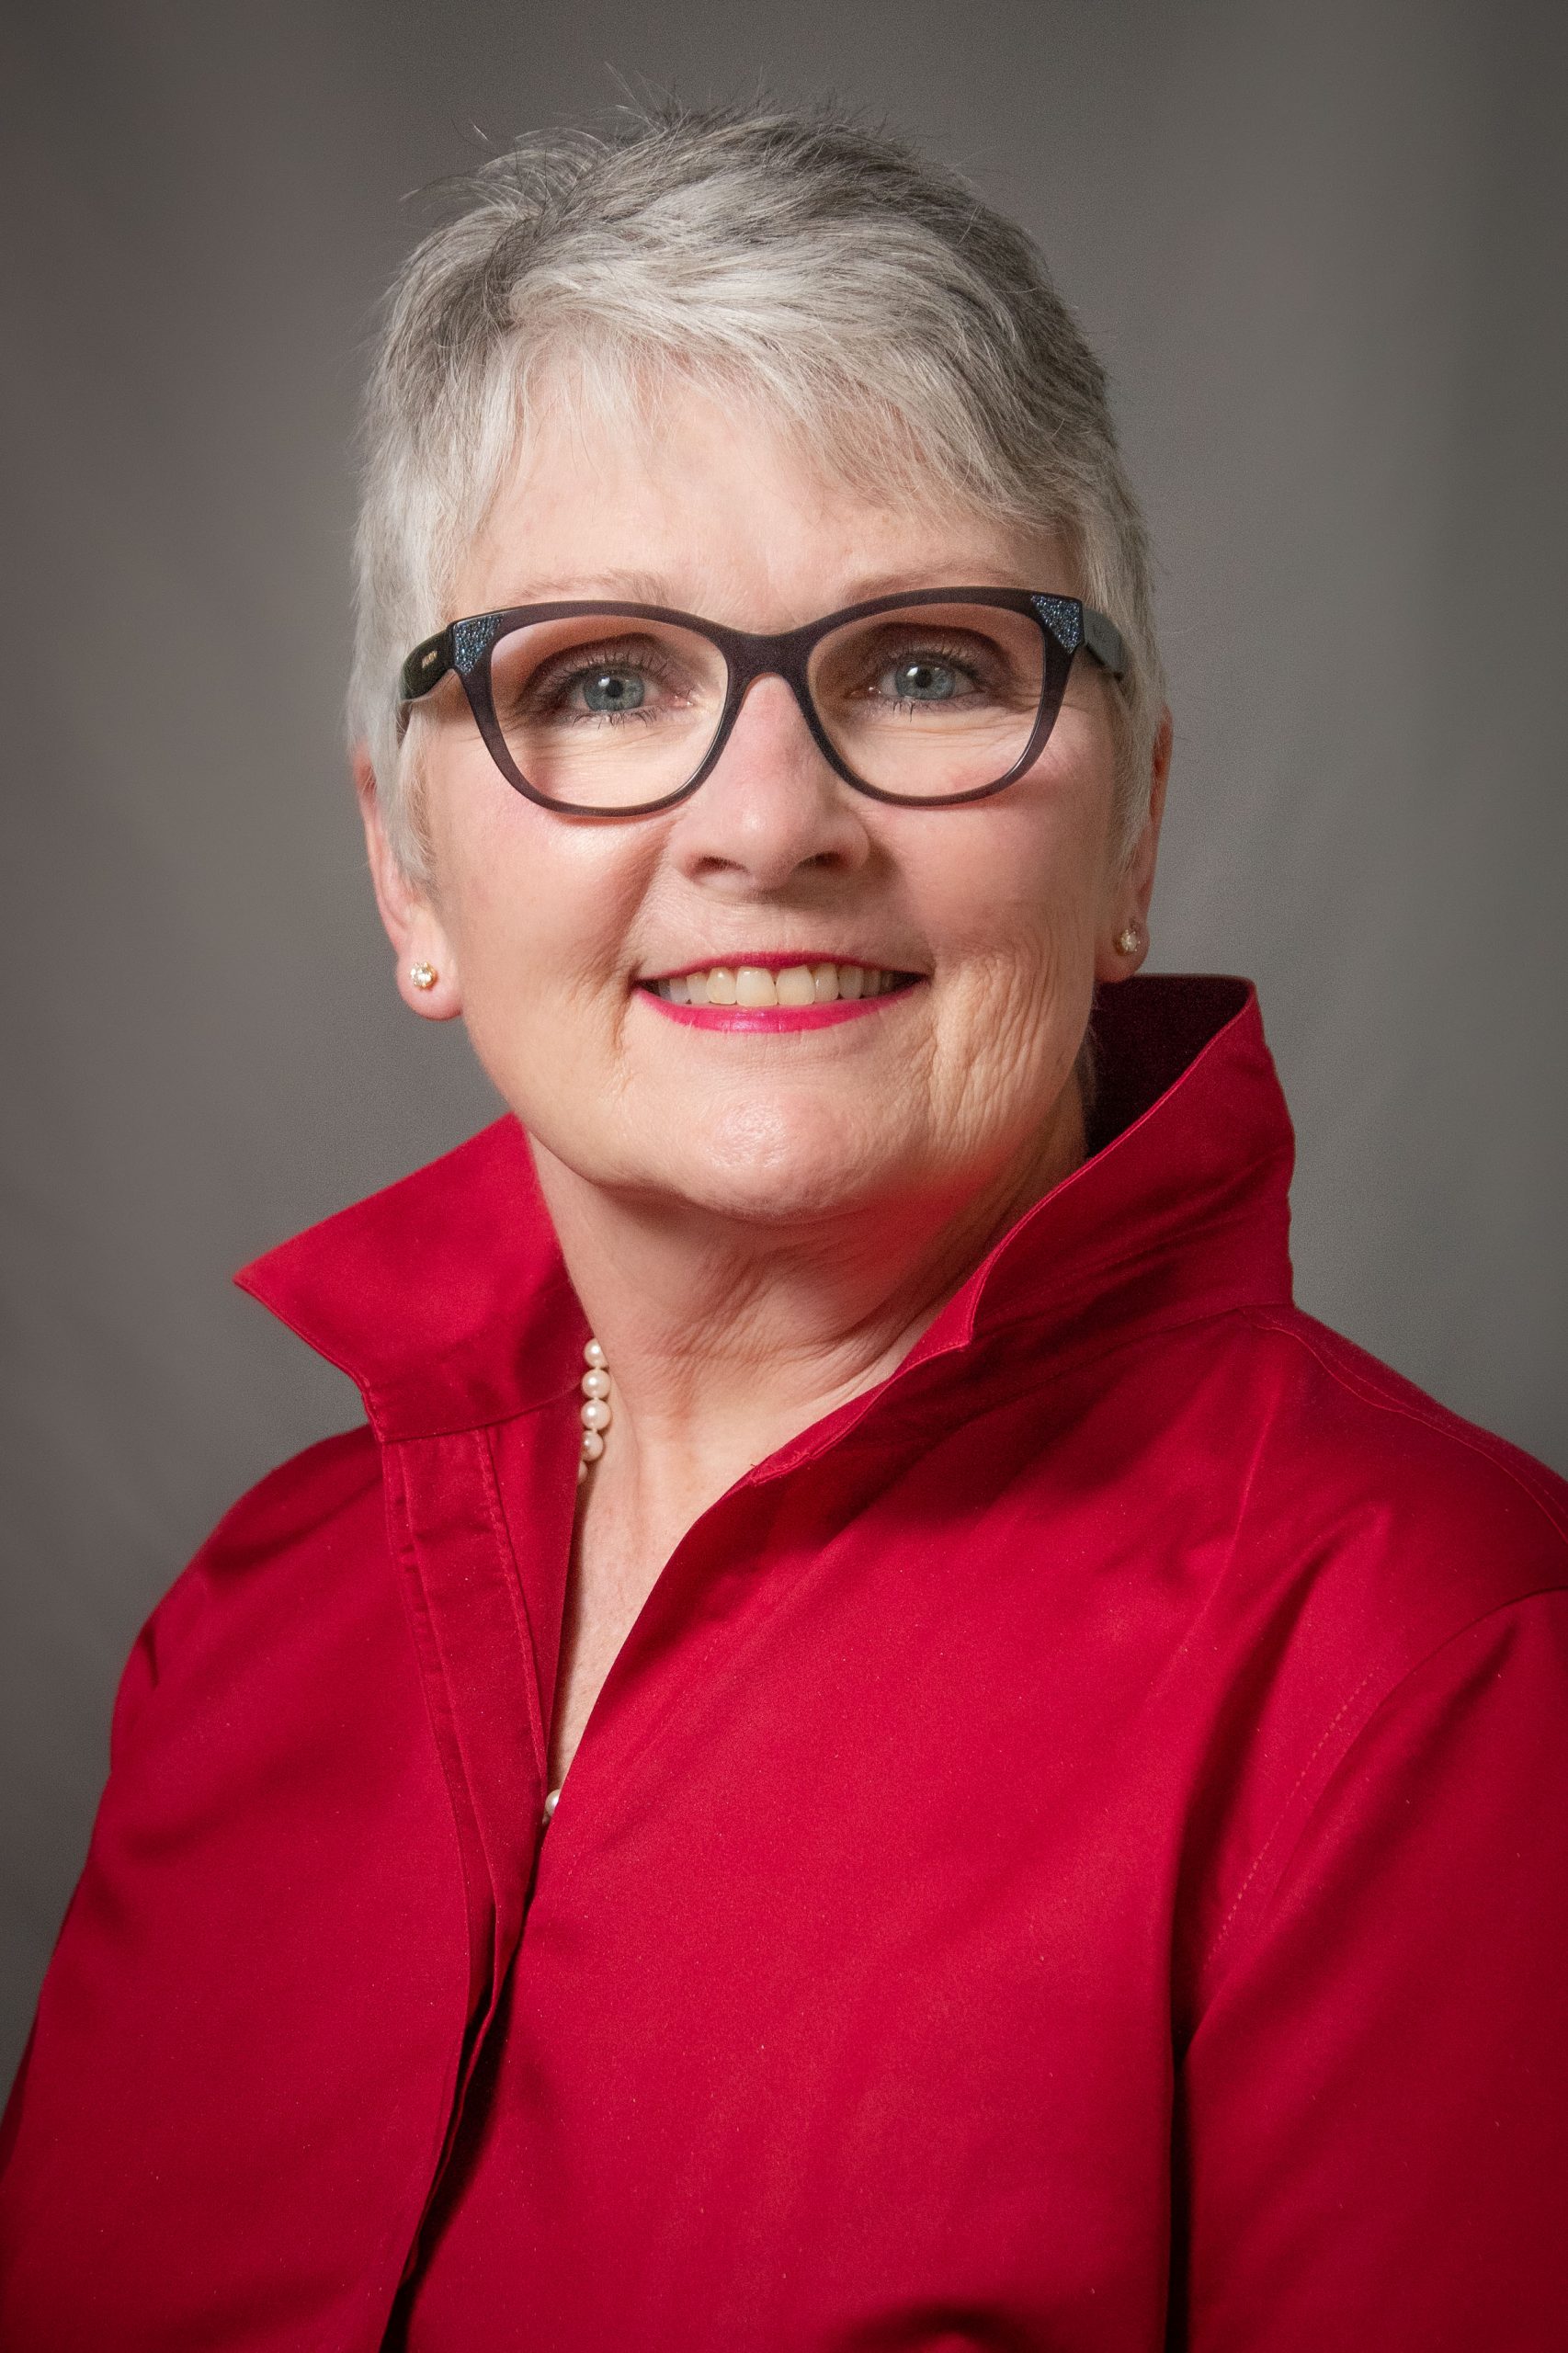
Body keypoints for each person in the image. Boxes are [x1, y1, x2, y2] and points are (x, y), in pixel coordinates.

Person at [1, 99, 1564, 2353]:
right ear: (407, 871)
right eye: (598, 679)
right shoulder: (243, 1624)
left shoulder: (1438, 1669)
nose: (765, 820)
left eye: (924, 663)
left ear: (1130, 835)